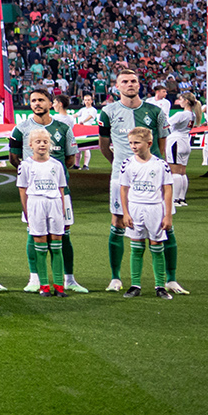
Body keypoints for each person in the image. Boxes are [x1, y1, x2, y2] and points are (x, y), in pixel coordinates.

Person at [9, 88, 84, 294]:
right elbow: (14, 158)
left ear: (51, 103)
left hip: (59, 191)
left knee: (64, 234)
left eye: (41, 100)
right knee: (34, 233)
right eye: (33, 100)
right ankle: (35, 278)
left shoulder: (63, 127)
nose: (36, 104)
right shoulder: (21, 129)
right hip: (34, 194)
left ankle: (68, 279)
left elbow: (70, 159)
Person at [100, 69, 165, 292]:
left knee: (161, 225)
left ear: (139, 84)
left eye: (134, 81)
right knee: (118, 222)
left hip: (152, 178)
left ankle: (168, 280)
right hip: (121, 177)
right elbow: (103, 145)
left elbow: (161, 146)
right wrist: (118, 164)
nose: (130, 84)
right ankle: (116, 277)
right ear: (117, 86)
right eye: (125, 81)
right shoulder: (108, 112)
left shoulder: (155, 111)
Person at [116, 127, 175, 300]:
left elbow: (167, 190)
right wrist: (125, 213)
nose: (133, 146)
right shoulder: (127, 163)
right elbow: (124, 189)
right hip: (135, 208)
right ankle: (135, 285)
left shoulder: (160, 164)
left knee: (157, 247)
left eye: (136, 143)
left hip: (155, 208)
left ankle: (160, 286)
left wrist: (168, 215)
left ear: (149, 143)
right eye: (131, 143)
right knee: (136, 247)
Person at [16, 129, 70, 297]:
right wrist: (27, 214)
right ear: (30, 145)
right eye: (38, 141)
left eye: (45, 142)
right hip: (36, 203)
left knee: (56, 246)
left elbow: (61, 189)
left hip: (53, 202)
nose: (42, 144)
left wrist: (62, 210)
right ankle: (44, 285)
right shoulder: (25, 165)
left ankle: (59, 286)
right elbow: (23, 190)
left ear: (50, 144)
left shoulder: (56, 165)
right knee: (40, 246)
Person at [73, 94, 101, 170]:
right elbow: (76, 114)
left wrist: (83, 121)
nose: (87, 101)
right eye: (85, 100)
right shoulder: (83, 109)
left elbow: (90, 117)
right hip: (81, 129)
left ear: (91, 101)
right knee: (78, 148)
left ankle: (85, 165)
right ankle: (77, 164)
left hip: (88, 129)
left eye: (88, 100)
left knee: (86, 147)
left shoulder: (93, 110)